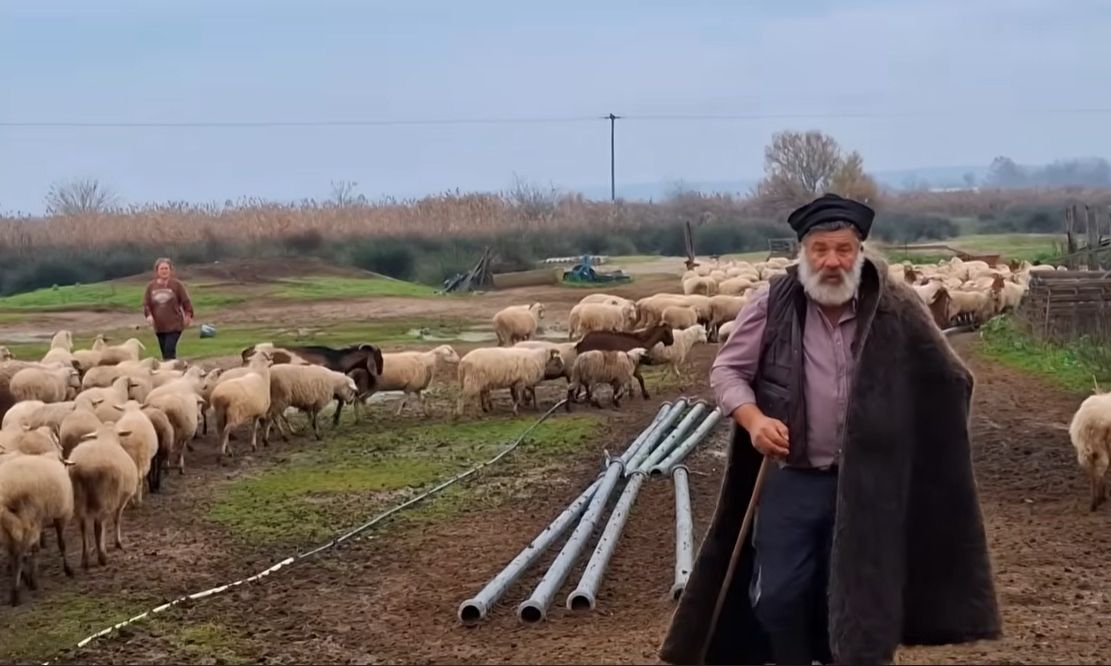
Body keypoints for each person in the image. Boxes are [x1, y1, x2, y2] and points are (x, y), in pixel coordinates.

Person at [658, 193, 1001, 665]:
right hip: (791, 478)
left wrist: (922, 449)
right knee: (777, 595)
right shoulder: (773, 303)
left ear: (859, 252)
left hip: (866, 486)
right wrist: (754, 421)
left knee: (864, 608)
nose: (832, 261)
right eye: (821, 249)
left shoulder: (894, 306)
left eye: (844, 249)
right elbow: (727, 372)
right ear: (804, 253)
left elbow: (950, 378)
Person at [142, 257, 193, 361]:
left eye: (166, 268)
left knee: (169, 350)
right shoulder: (151, 287)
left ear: (170, 270)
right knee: (165, 354)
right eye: (162, 269)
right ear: (157, 271)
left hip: (174, 325)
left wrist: (188, 315)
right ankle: (170, 373)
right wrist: (149, 315)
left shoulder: (177, 285)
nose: (164, 271)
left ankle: (173, 374)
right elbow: (146, 304)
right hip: (159, 327)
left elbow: (186, 302)